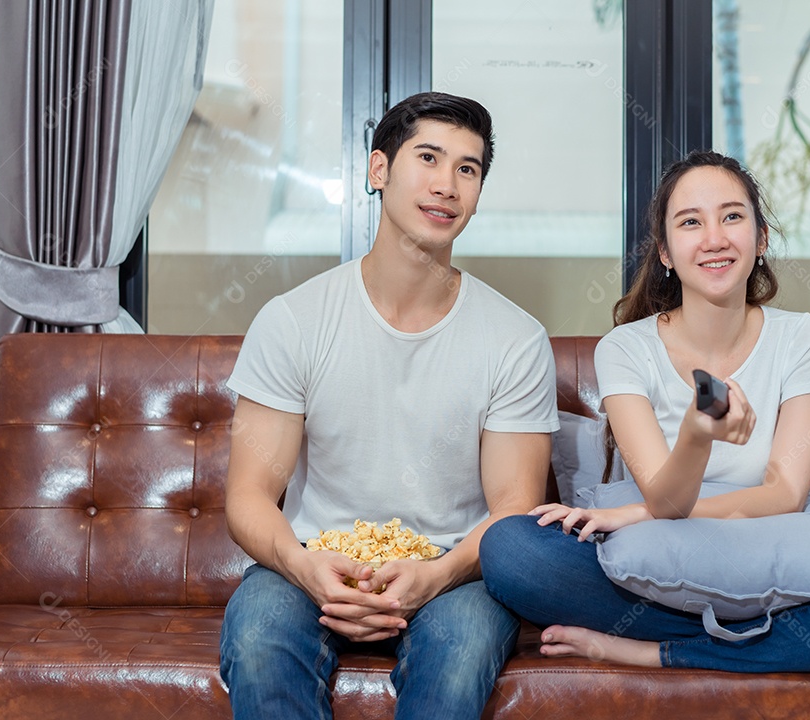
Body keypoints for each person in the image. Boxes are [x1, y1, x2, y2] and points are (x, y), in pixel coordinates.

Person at [479, 150, 810, 672]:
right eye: (691, 222)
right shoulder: (625, 348)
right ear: (666, 252)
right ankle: (759, 644)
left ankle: (663, 652)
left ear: (760, 238)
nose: (714, 238)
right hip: (658, 578)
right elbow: (665, 501)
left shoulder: (800, 337)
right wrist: (696, 434)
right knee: (511, 548)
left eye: (732, 216)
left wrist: (632, 515)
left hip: (765, 573)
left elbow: (785, 493)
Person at [219, 92, 558, 719]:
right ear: (379, 172)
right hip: (312, 560)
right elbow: (247, 495)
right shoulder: (293, 320)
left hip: (453, 569)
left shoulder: (515, 339)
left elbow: (514, 509)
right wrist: (302, 564)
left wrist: (437, 574)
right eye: (428, 157)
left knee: (459, 654)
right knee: (258, 635)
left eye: (468, 168)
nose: (447, 184)